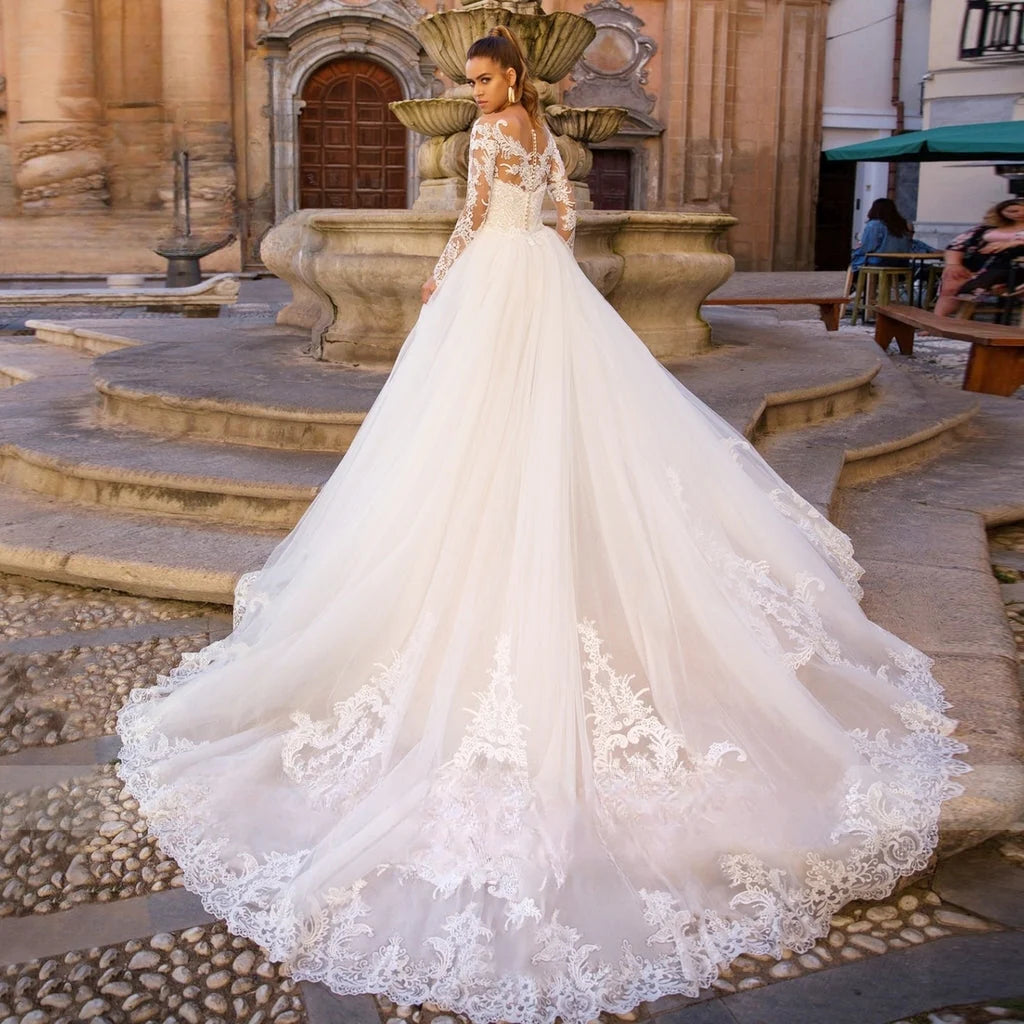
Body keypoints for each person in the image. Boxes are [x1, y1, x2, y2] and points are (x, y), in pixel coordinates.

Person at [115, 27, 968, 1024]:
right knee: (559, 422)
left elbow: (475, 219)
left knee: (464, 430)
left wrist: (445, 278)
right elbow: (561, 213)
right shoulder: (543, 132)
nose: (473, 94)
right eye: (467, 82)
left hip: (492, 285)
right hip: (546, 288)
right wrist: (539, 263)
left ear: (510, 73)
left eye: (481, 79)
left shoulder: (484, 139)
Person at [935, 199, 1024, 317]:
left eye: (1020, 210)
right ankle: (938, 322)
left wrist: (1013, 243)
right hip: (977, 265)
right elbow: (956, 245)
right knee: (952, 280)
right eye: (1011, 211)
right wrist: (953, 264)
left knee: (986, 277)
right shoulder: (984, 229)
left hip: (1012, 267)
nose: (1018, 214)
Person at [849, 197, 915, 273]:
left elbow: (867, 248)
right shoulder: (902, 225)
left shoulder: (874, 224)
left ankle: (852, 283)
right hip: (901, 263)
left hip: (879, 262)